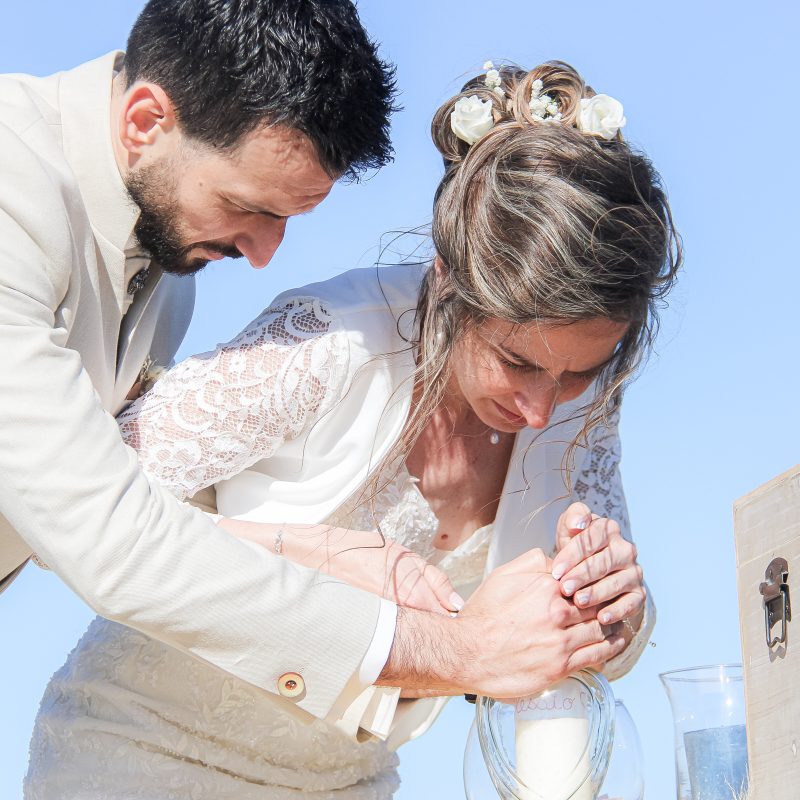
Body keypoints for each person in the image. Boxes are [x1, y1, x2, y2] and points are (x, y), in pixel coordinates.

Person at [25, 61, 680, 798]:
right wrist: (319, 559)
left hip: (348, 781)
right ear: (446, 283)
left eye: (582, 372)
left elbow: (565, 650)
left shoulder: (580, 407)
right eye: (515, 362)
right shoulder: (328, 341)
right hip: (147, 757)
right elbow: (79, 520)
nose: (542, 407)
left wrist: (617, 610)